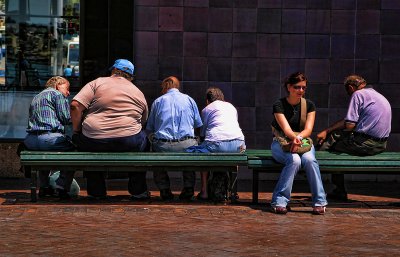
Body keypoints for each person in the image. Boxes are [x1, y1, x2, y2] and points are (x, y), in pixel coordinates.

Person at [70, 59, 150, 200]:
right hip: (128, 140)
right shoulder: (138, 92)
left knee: (89, 150)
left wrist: (76, 131)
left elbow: (75, 105)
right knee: (144, 143)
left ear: (113, 70)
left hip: (94, 140)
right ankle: (138, 191)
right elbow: (142, 121)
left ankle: (96, 192)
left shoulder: (97, 83)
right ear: (130, 75)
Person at [316, 75, 392, 201]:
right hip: (381, 145)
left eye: (348, 92)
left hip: (365, 144)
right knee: (335, 136)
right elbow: (349, 121)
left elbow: (350, 125)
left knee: (331, 149)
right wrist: (327, 130)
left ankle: (315, 165)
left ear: (351, 87)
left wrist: (331, 133)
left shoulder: (358, 95)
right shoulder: (376, 95)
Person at [270, 72, 327, 215]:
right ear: (289, 87)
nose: (301, 91)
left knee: (309, 160)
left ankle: (319, 202)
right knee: (294, 160)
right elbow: (286, 129)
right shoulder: (279, 105)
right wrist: (293, 139)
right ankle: (279, 201)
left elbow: (308, 129)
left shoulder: (309, 105)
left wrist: (299, 138)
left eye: (303, 88)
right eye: (297, 87)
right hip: (282, 142)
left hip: (302, 141)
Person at [146, 76, 203, 201]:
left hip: (163, 146)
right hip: (186, 144)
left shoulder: (158, 101)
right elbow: (198, 124)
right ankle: (188, 188)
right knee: (191, 149)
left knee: (155, 150)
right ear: (178, 86)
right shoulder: (189, 100)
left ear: (164, 87)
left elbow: (150, 126)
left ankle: (164, 189)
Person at [23, 76, 75, 199]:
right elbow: (66, 118)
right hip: (49, 138)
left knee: (43, 156)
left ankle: (44, 187)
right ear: (58, 85)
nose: (68, 92)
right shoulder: (57, 94)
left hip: (31, 140)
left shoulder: (37, 96)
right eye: (67, 88)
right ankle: (62, 187)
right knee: (73, 151)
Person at [194, 87, 246, 201]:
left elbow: (203, 132)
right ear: (223, 98)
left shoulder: (207, 109)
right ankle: (233, 191)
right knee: (235, 158)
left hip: (217, 144)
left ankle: (204, 192)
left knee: (202, 156)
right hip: (239, 145)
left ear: (207, 100)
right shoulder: (231, 107)